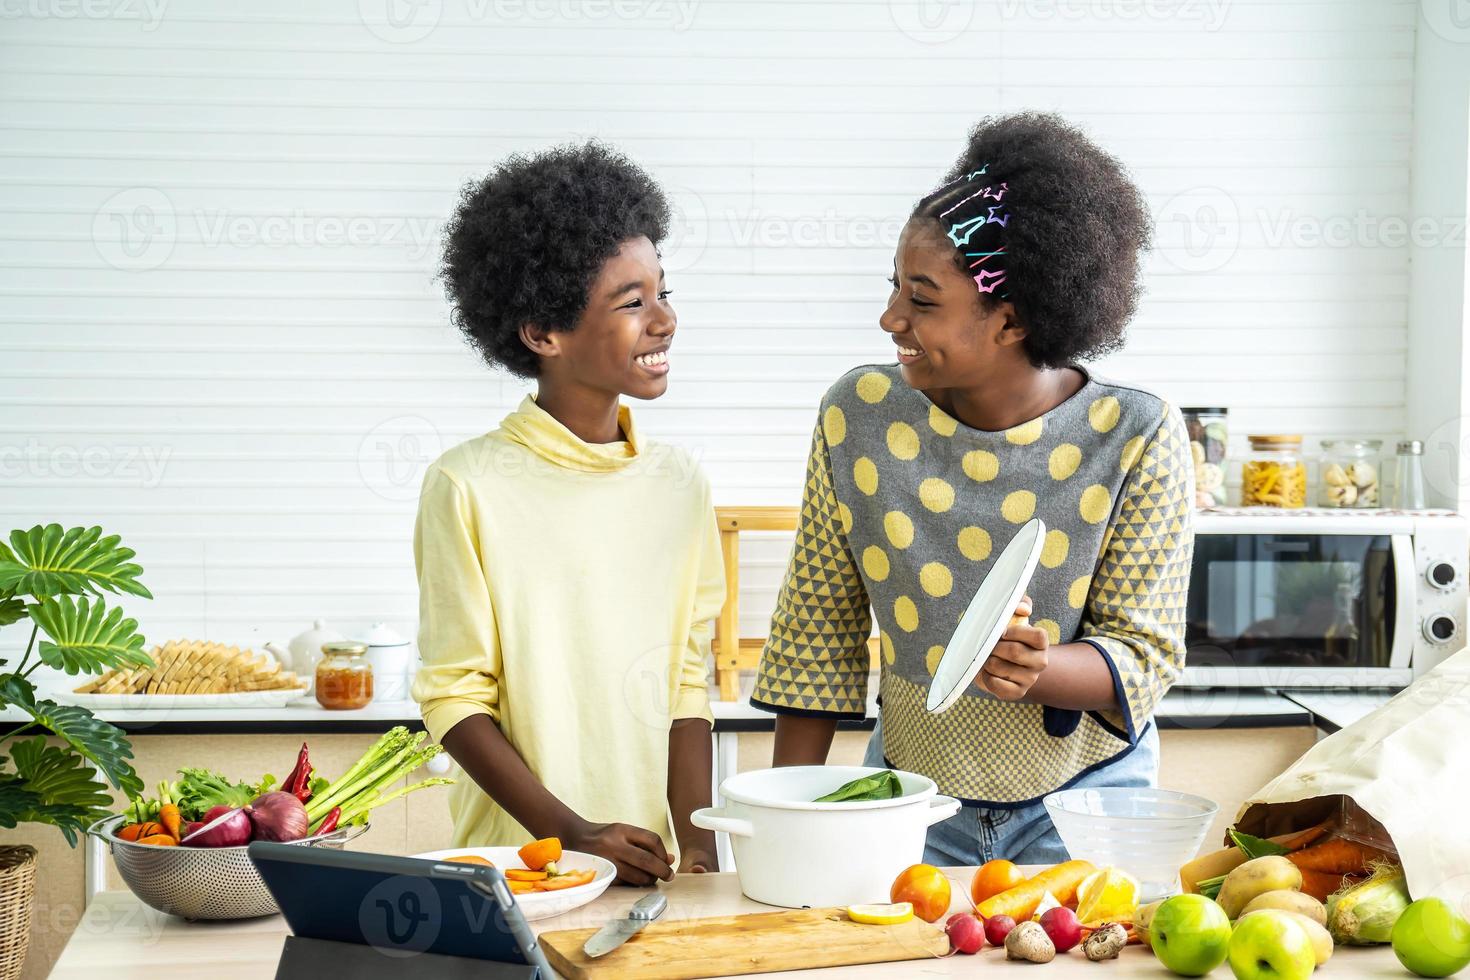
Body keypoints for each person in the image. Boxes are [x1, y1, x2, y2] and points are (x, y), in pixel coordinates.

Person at [752, 112, 1195, 866]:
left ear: (1012, 320)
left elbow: (1144, 654)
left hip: (1088, 798)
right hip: (908, 797)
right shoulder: (859, 417)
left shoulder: (1136, 435)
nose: (890, 317)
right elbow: (816, 631)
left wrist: (1038, 669)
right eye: (895, 287)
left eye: (922, 301)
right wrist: (785, 820)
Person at [413, 141, 721, 885]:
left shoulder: (679, 483)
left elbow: (685, 679)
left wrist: (701, 848)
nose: (664, 320)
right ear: (543, 334)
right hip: (525, 866)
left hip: (657, 871)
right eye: (631, 302)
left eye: (663, 291)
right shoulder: (468, 485)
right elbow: (453, 697)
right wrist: (572, 832)